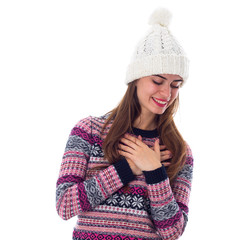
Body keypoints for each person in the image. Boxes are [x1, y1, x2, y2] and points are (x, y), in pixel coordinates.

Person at [56, 8, 194, 240]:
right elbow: (64, 205)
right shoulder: (89, 131)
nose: (166, 93)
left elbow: (172, 231)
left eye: (175, 84)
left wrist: (154, 171)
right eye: (158, 80)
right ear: (136, 78)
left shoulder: (179, 150)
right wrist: (128, 168)